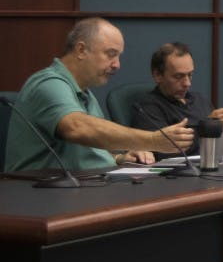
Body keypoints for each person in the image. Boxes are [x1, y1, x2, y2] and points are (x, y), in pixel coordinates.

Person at [5, 17, 194, 171]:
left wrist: (120, 158)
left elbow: (83, 153)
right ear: (81, 50)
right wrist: (153, 140)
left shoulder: (85, 93)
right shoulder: (48, 83)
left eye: (119, 56)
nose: (117, 64)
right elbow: (76, 128)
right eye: (110, 54)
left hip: (84, 185)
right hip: (41, 193)